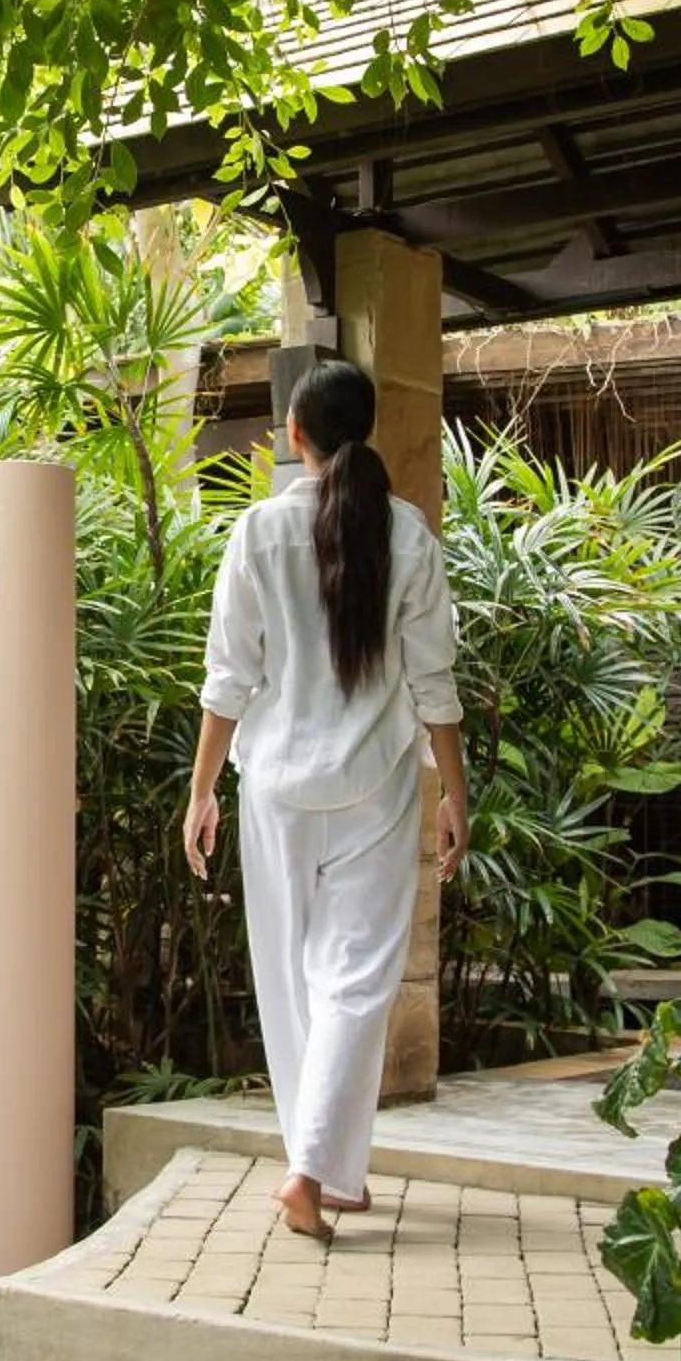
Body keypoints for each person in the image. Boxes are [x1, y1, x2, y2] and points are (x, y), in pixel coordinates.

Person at [184, 360, 468, 1245]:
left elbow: (229, 679)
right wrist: (456, 791)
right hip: (374, 787)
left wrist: (201, 791)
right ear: (368, 429)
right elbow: (435, 684)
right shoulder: (410, 536)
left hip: (272, 787)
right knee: (355, 981)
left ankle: (320, 1171)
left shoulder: (258, 532)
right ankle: (317, 1172)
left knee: (292, 976)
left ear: (293, 436)